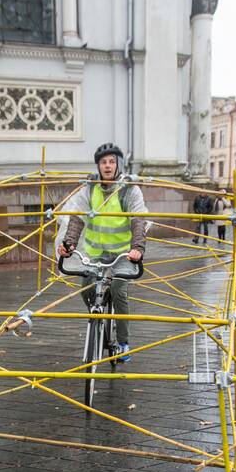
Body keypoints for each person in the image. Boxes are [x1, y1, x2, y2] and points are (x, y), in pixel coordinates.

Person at [58, 142, 148, 362]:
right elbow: (77, 218)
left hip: (122, 255)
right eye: (103, 162)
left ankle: (123, 344)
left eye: (112, 162)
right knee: (87, 289)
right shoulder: (88, 189)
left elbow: (138, 221)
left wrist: (137, 248)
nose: (107, 166)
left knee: (118, 291)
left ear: (118, 165)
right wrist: (69, 244)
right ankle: (98, 317)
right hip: (95, 254)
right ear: (98, 166)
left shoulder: (129, 190)